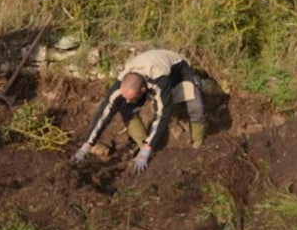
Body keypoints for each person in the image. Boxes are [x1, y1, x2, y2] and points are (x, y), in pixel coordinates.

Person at [70, 49, 206, 174]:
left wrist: (147, 151)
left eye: (131, 98)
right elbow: (104, 114)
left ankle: (197, 145)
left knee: (196, 107)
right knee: (125, 108)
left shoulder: (159, 81)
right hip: (145, 76)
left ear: (142, 91)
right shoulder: (121, 85)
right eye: (125, 96)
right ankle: (142, 144)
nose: (128, 100)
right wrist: (86, 146)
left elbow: (163, 114)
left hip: (177, 72)